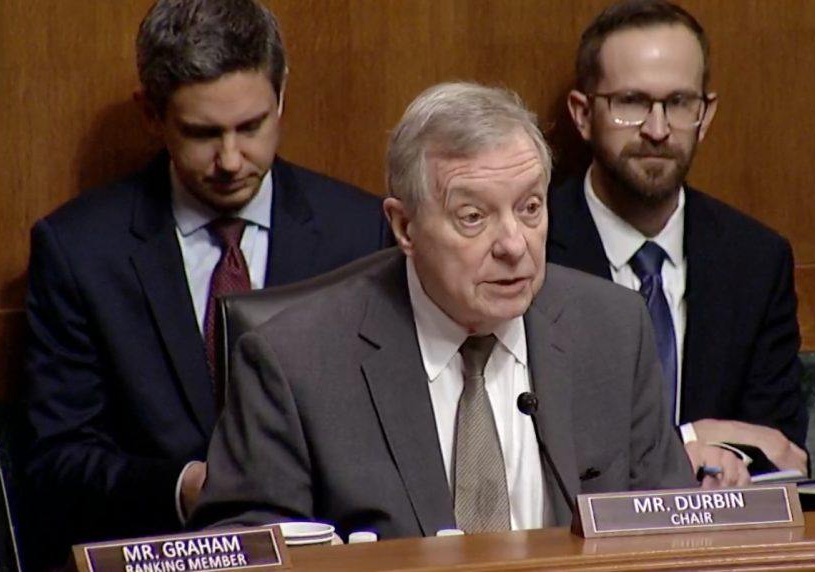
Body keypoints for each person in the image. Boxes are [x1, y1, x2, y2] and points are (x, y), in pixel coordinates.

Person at [190, 82, 694, 540]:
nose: (514, 245)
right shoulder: (294, 363)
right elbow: (245, 549)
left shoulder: (613, 330)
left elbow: (673, 528)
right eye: (473, 217)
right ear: (405, 227)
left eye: (530, 208)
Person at [23, 0, 387, 563]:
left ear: (281, 95)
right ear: (152, 115)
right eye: (202, 133)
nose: (231, 159)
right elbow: (59, 459)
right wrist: (187, 488)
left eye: (252, 126)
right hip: (159, 552)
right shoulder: (80, 251)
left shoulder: (360, 232)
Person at [547, 0, 808, 486]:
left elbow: (780, 447)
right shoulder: (529, 250)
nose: (658, 129)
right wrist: (688, 437)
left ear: (705, 115)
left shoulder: (755, 259)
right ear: (583, 115)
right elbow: (536, 444)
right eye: (630, 102)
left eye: (679, 103)